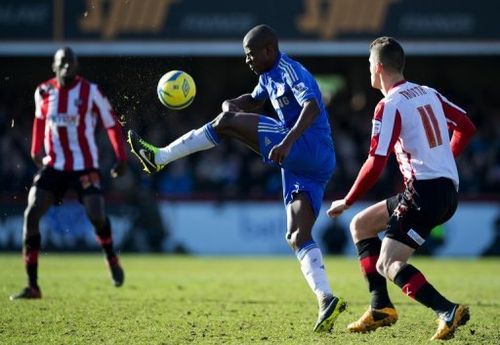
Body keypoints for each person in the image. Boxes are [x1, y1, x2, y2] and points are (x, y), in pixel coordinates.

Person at [128, 24, 346, 332]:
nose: (247, 60)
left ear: (269, 51)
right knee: (297, 235)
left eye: (250, 54)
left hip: (306, 146)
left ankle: (160, 157)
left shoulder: (291, 70)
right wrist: (234, 105)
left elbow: (312, 105)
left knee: (226, 124)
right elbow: (255, 99)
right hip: (307, 165)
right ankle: (326, 299)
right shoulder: (267, 75)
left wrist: (288, 141)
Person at [326, 37, 476, 340]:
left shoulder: (389, 105)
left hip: (424, 192)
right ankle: (380, 307)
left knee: (388, 263)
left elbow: (375, 162)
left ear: (379, 68)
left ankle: (447, 310)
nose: (368, 70)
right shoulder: (428, 93)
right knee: (362, 226)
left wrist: (348, 198)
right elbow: (467, 127)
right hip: (443, 190)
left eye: (369, 64)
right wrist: (444, 157)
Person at [10, 47, 128, 300]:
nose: (67, 66)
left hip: (84, 165)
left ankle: (111, 257)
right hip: (54, 165)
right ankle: (33, 285)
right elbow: (39, 120)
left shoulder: (91, 92)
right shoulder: (43, 92)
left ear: (76, 66)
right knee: (31, 214)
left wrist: (121, 157)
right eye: (62, 62)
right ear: (54, 65)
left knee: (96, 215)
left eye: (71, 62)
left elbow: (111, 123)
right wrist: (35, 149)